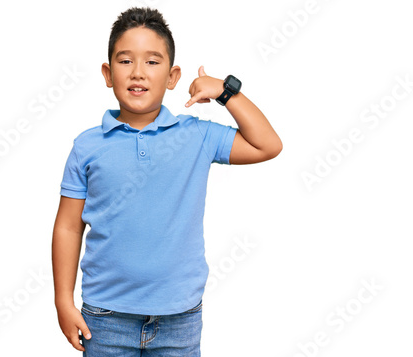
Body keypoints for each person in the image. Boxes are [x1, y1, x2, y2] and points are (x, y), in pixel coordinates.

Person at [52, 6, 282, 356]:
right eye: (125, 61)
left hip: (180, 319)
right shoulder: (87, 146)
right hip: (105, 319)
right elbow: (68, 227)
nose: (138, 72)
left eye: (153, 62)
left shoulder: (197, 136)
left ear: (173, 76)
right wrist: (62, 301)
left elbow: (268, 144)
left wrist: (225, 92)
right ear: (108, 73)